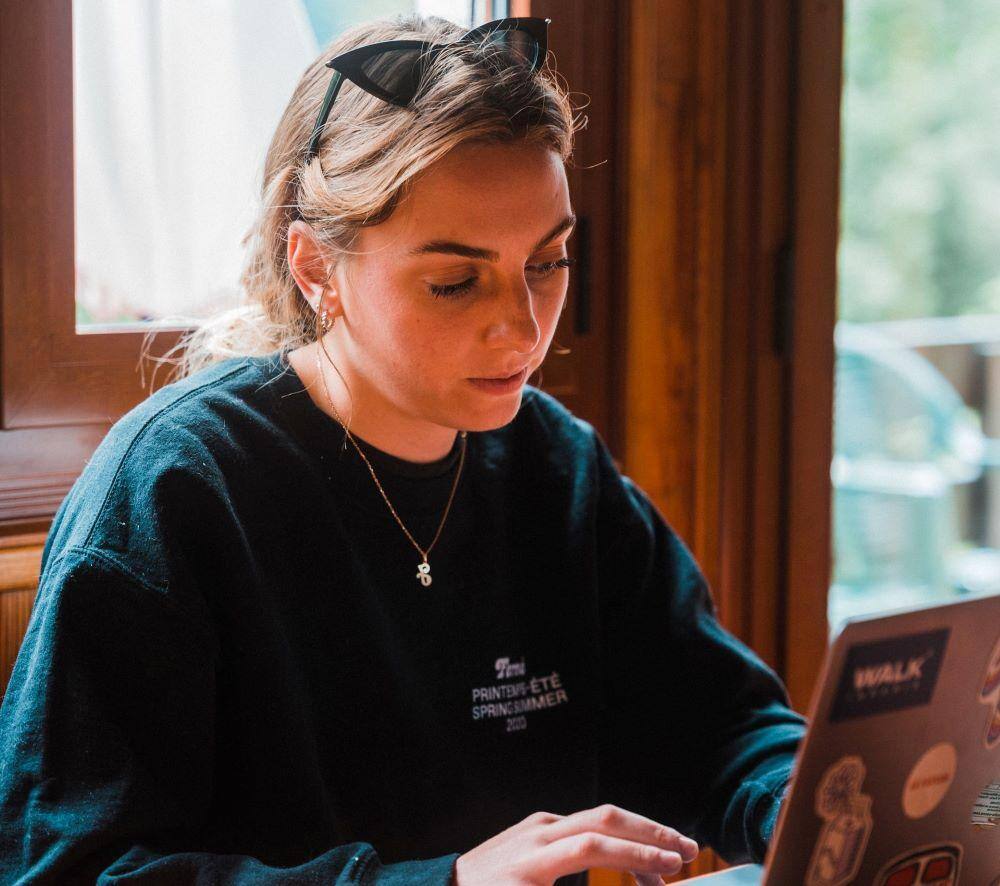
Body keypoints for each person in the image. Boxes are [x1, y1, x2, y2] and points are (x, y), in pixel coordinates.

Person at [0, 13, 807, 885]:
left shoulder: (557, 467)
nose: (523, 327)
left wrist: (817, 799)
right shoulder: (172, 491)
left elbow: (717, 726)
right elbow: (66, 867)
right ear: (314, 268)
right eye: (455, 282)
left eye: (548, 262)